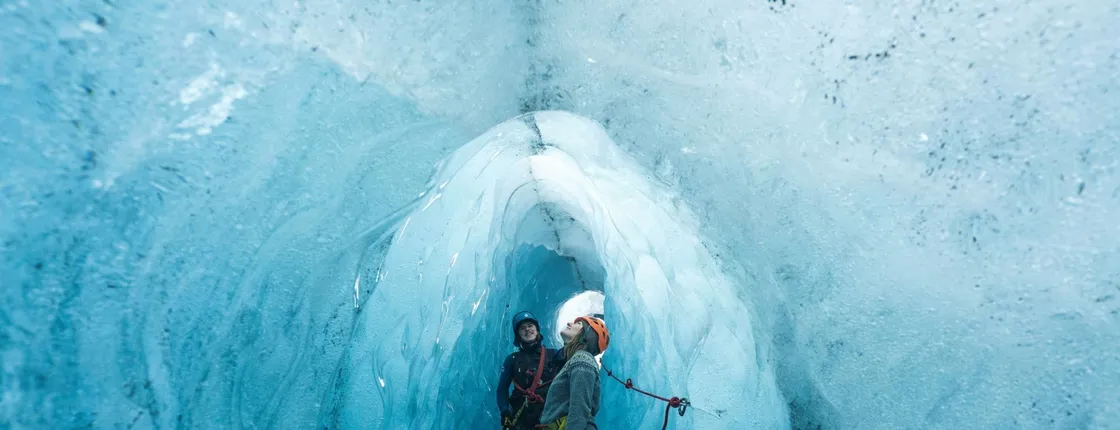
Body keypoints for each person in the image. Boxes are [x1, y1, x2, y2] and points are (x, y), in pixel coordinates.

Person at [537, 316, 610, 430]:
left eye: (579, 323)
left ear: (586, 337)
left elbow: (579, 410)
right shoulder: (578, 360)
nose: (569, 323)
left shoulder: (582, 359)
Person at [497, 311, 566, 429]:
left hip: (549, 418)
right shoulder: (512, 360)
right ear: (518, 335)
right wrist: (505, 411)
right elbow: (502, 389)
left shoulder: (553, 354)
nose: (527, 329)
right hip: (522, 419)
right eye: (522, 328)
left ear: (537, 330)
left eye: (530, 326)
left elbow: (572, 355)